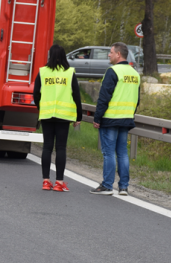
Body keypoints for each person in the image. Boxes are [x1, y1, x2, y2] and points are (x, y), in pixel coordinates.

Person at [90, 42, 141, 196]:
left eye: (111, 52)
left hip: (111, 118)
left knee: (109, 153)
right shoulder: (134, 73)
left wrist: (97, 118)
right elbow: (137, 99)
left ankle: (107, 185)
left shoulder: (112, 71)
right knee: (123, 153)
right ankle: (124, 187)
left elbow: (104, 98)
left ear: (118, 54)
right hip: (126, 118)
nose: (109, 55)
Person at [33, 45, 82, 192]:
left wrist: (41, 108)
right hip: (63, 116)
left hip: (47, 114)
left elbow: (36, 94)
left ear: (50, 56)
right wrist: (78, 116)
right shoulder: (69, 72)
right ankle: (59, 182)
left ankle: (46, 181)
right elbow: (76, 95)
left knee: (47, 147)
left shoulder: (43, 72)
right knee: (61, 147)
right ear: (64, 56)